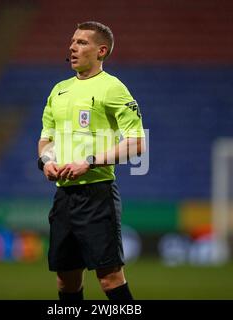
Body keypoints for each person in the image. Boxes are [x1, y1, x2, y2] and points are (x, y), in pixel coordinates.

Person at [38, 21, 145, 300]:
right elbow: (46, 138)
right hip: (63, 196)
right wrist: (46, 162)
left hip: (98, 196)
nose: (72, 47)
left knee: (109, 279)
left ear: (101, 51)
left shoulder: (113, 88)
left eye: (82, 42)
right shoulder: (58, 90)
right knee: (66, 280)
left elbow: (136, 144)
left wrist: (90, 161)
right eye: (72, 41)